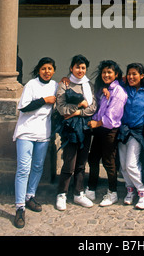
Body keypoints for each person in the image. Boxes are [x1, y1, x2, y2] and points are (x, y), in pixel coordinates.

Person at [13, 57, 58, 229]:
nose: (47, 71)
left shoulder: (55, 85)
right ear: (38, 70)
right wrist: (44, 100)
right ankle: (19, 207)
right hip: (26, 132)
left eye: (50, 68)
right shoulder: (31, 85)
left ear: (54, 71)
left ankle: (29, 196)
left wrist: (66, 80)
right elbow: (23, 107)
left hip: (43, 133)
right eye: (44, 68)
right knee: (24, 168)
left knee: (38, 166)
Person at [55, 55, 97, 211]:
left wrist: (77, 113)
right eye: (78, 67)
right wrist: (79, 105)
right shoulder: (64, 85)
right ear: (71, 68)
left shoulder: (88, 85)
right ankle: (62, 193)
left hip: (85, 127)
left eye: (83, 67)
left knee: (81, 162)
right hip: (70, 129)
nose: (80, 70)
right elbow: (61, 109)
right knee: (69, 162)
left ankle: (78, 193)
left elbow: (93, 107)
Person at [85, 60, 127, 207]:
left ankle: (112, 192)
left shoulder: (119, 92)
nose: (106, 74)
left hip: (109, 130)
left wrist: (97, 123)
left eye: (110, 72)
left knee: (109, 161)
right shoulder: (104, 89)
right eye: (104, 72)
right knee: (93, 158)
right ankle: (91, 188)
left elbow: (112, 116)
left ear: (116, 74)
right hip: (99, 130)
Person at [117, 63, 144, 209]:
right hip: (123, 129)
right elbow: (109, 82)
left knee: (132, 163)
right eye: (129, 74)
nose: (131, 77)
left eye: (134, 74)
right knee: (123, 165)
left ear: (142, 75)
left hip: (137, 132)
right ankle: (130, 189)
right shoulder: (125, 88)